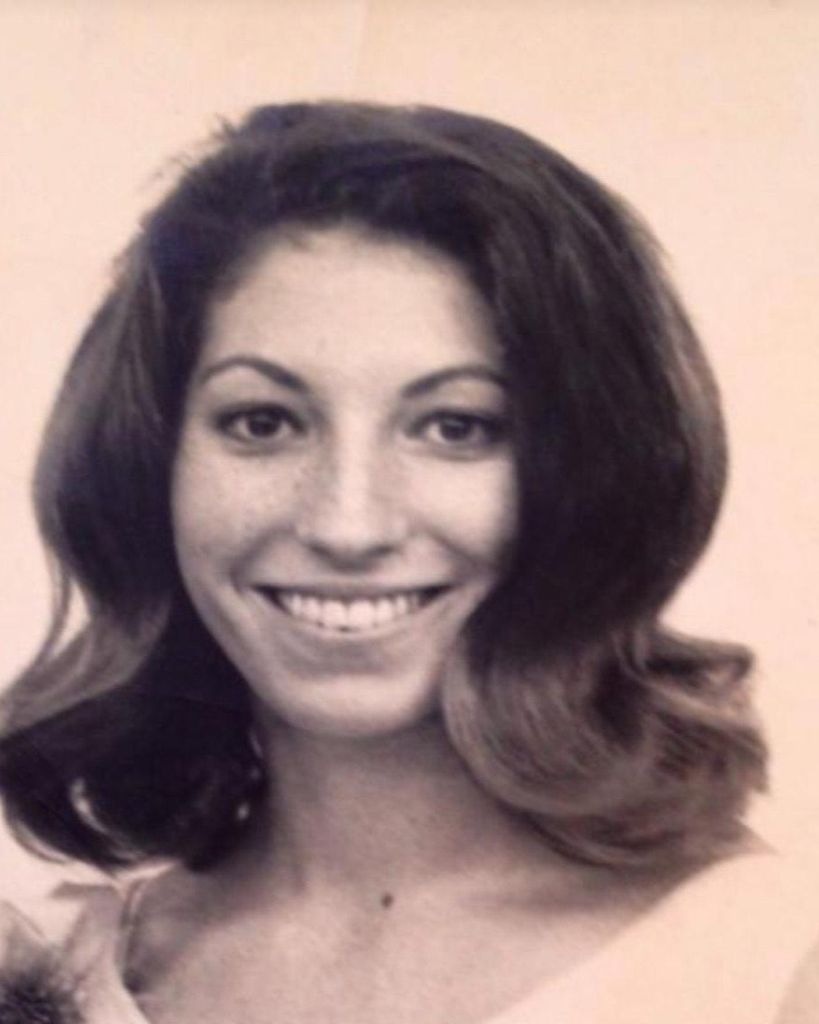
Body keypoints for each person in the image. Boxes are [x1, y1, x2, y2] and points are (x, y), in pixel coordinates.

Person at [0, 101, 812, 1024]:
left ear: (596, 475)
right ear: (148, 466)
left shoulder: (770, 967)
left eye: (455, 427)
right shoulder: (63, 970)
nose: (347, 525)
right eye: (263, 422)